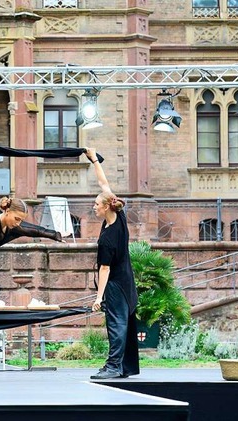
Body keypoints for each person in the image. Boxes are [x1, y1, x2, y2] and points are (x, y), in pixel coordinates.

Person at [85, 147, 139, 380]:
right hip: (127, 280)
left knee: (116, 324)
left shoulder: (108, 238)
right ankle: (125, 367)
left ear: (106, 207)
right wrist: (94, 159)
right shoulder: (119, 217)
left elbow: (104, 268)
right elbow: (104, 184)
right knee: (123, 323)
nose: (94, 206)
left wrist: (99, 297)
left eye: (96, 204)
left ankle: (114, 366)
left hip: (116, 284)